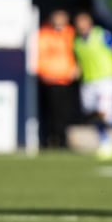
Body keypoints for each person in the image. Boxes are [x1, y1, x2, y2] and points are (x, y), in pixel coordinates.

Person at [72, 10, 112, 160]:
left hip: (106, 79)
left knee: (105, 111)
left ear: (90, 22)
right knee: (92, 113)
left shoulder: (102, 35)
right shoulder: (77, 42)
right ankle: (106, 142)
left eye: (83, 21)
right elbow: (82, 61)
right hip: (88, 81)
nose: (81, 25)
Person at [36, 9, 79, 148]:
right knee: (51, 112)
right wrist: (42, 72)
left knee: (64, 112)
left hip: (66, 79)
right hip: (50, 79)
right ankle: (50, 139)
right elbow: (39, 55)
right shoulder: (44, 33)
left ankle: (62, 139)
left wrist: (77, 67)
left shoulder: (70, 33)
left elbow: (77, 52)